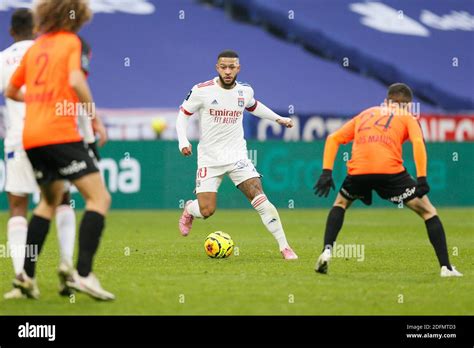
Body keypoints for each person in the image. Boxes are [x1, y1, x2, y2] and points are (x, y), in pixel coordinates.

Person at [5, 0, 114, 300]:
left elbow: (12, 91)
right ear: (78, 15)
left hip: (31, 137)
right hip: (60, 134)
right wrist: (94, 118)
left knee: (47, 203)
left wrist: (39, 102)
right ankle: (83, 273)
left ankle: (25, 277)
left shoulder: (37, 46)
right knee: (99, 198)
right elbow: (76, 80)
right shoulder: (72, 42)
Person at [313, 83, 463, 277]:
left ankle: (326, 251)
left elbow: (333, 138)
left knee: (340, 203)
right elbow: (418, 143)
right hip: (390, 172)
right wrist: (422, 178)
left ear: (386, 101)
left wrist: (327, 171)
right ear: (408, 104)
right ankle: (446, 268)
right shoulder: (408, 117)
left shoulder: (366, 113)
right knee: (428, 212)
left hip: (359, 171)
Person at [176, 50, 298, 259]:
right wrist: (183, 140)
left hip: (237, 156)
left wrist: (278, 119)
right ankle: (189, 209)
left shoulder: (245, 91)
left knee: (259, 196)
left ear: (238, 69)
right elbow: (183, 114)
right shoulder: (201, 90)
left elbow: (254, 106)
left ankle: (284, 246)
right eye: (223, 67)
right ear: (217, 68)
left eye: (232, 67)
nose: (227, 71)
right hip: (209, 158)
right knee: (206, 211)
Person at [0, 8, 77, 299]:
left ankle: (22, 279)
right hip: (52, 134)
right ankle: (67, 264)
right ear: (36, 28)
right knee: (62, 199)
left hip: (18, 139)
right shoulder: (48, 53)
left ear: (11, 32)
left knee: (18, 206)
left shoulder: (3, 58)